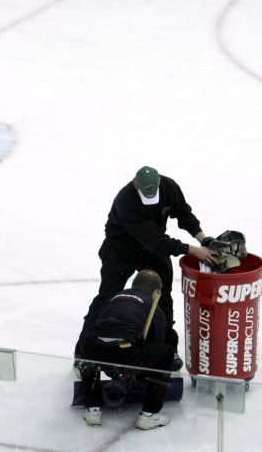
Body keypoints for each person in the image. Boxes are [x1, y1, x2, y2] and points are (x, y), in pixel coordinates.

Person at [75, 166, 215, 370]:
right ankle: (84, 353)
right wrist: (191, 250)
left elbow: (183, 214)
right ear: (135, 185)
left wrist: (204, 239)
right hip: (120, 250)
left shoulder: (169, 187)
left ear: (159, 183)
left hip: (151, 250)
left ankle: (166, 350)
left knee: (162, 298)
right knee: (106, 297)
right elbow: (155, 240)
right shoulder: (126, 201)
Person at [80, 270, 172, 430]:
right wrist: (141, 372)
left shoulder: (115, 297)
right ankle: (150, 414)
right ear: (156, 292)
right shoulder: (153, 307)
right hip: (125, 350)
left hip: (91, 346)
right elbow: (157, 341)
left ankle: (92, 408)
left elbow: (98, 323)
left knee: (92, 353)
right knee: (166, 354)